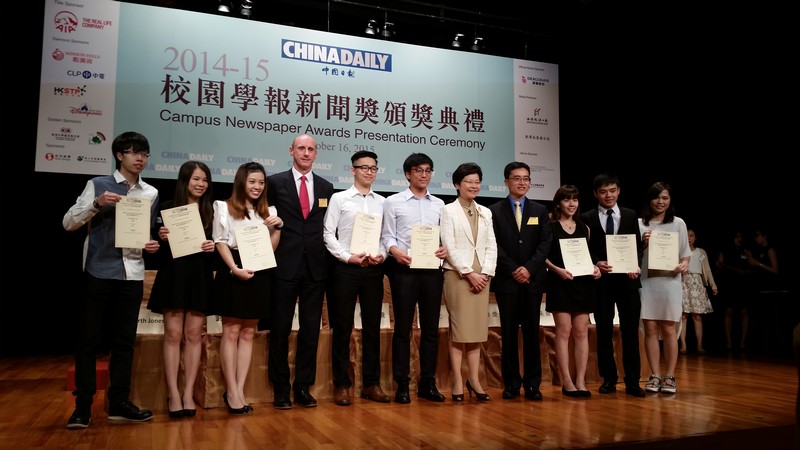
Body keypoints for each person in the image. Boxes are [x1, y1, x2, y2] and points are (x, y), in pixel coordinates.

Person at [62, 131, 159, 429]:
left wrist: (152, 242)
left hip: (132, 273)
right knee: (89, 340)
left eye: (144, 153)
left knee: (124, 342)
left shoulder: (150, 192)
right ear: (120, 155)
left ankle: (118, 402)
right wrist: (96, 204)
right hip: (98, 271)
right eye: (133, 152)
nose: (139, 158)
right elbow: (68, 223)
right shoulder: (97, 185)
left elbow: (146, 234)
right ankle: (82, 407)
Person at [267, 134, 334, 409]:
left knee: (310, 330)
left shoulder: (326, 187)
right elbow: (265, 219)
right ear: (291, 151)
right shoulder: (274, 182)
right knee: (280, 328)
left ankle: (303, 387)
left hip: (316, 268)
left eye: (311, 150)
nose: (306, 153)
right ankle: (281, 388)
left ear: (316, 154)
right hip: (284, 264)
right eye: (301, 149)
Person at [210, 162, 282, 414]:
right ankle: (230, 390)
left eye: (261, 182)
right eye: (252, 181)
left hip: (260, 269)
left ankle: (239, 389)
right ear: (241, 182)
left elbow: (270, 249)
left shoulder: (268, 211)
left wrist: (277, 228)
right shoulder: (223, 207)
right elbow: (219, 242)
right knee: (230, 332)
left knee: (249, 333)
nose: (257, 186)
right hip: (234, 269)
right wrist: (233, 268)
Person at [146, 161, 215, 418]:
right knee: (173, 335)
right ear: (184, 180)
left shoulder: (212, 210)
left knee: (194, 335)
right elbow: (151, 247)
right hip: (173, 275)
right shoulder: (166, 208)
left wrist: (211, 246)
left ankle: (188, 393)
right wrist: (161, 237)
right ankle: (173, 393)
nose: (200, 184)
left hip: (199, 275)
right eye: (196, 179)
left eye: (205, 180)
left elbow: (221, 246)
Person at [322, 150, 389, 406]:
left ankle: (371, 384)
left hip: (373, 270)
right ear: (353, 170)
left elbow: (386, 237)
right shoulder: (339, 199)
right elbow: (328, 234)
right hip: (346, 269)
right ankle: (342, 385)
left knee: (373, 328)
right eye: (364, 168)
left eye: (373, 168)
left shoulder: (383, 202)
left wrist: (382, 255)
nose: (369, 172)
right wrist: (347, 256)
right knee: (342, 328)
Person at [381, 153, 449, 404]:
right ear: (407, 174)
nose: (424, 175)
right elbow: (387, 236)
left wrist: (444, 249)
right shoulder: (393, 202)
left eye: (428, 170)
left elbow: (445, 240)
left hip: (433, 271)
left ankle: (427, 383)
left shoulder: (440, 205)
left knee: (431, 330)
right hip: (404, 271)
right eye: (418, 170)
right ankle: (402, 384)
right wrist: (395, 251)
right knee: (403, 329)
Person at [488, 162, 552, 401]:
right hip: (507, 281)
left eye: (526, 178)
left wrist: (529, 269)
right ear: (506, 181)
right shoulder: (493, 210)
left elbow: (545, 244)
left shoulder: (540, 210)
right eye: (517, 178)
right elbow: (494, 245)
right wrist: (515, 269)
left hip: (532, 281)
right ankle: (512, 383)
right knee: (509, 334)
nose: (522, 182)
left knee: (532, 335)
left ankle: (533, 384)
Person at [580, 173, 645, 397]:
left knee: (630, 333)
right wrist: (596, 262)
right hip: (602, 284)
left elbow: (637, 247)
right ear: (596, 194)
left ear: (619, 191)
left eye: (612, 190)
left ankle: (633, 381)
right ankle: (608, 379)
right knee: (604, 333)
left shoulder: (630, 215)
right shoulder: (587, 217)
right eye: (603, 191)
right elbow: (585, 248)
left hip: (628, 282)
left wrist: (636, 265)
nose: (608, 195)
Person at [440, 163, 498, 402]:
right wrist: (468, 272)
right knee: (459, 331)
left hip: (482, 278)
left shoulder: (486, 211)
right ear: (457, 185)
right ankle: (456, 381)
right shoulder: (448, 210)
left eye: (477, 181)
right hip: (458, 275)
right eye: (468, 182)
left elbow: (492, 244)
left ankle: (474, 380)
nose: (474, 186)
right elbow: (449, 245)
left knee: (476, 332)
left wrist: (485, 272)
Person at [544, 185, 600, 398]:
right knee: (564, 332)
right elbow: (543, 255)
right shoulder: (550, 226)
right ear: (558, 203)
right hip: (560, 284)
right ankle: (566, 380)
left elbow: (587, 256)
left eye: (575, 200)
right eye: (567, 200)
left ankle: (580, 380)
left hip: (582, 285)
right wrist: (556, 270)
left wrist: (594, 268)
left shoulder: (584, 228)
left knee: (581, 332)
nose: (571, 204)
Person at [639, 182, 691, 394]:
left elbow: (686, 253)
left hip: (670, 282)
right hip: (647, 281)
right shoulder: (640, 224)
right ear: (649, 200)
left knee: (669, 329)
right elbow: (630, 254)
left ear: (670, 201)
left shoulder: (678, 223)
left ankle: (669, 376)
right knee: (650, 328)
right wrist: (642, 242)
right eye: (656, 197)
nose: (660, 202)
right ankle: (654, 375)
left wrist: (684, 264)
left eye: (665, 198)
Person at [679, 228, 717, 354]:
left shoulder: (701, 252)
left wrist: (713, 285)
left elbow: (708, 269)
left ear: (695, 238)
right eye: (687, 236)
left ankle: (699, 345)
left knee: (697, 316)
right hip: (683, 283)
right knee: (683, 316)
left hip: (697, 284)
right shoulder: (679, 251)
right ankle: (683, 345)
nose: (689, 238)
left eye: (691, 235)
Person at [715, 230, 753, 352]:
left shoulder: (746, 251)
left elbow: (752, 268)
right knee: (728, 311)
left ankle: (742, 343)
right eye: (736, 237)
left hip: (743, 286)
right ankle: (729, 343)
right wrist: (719, 264)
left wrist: (745, 272)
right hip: (729, 285)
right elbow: (719, 265)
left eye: (740, 237)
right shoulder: (725, 250)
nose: (739, 239)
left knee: (744, 312)